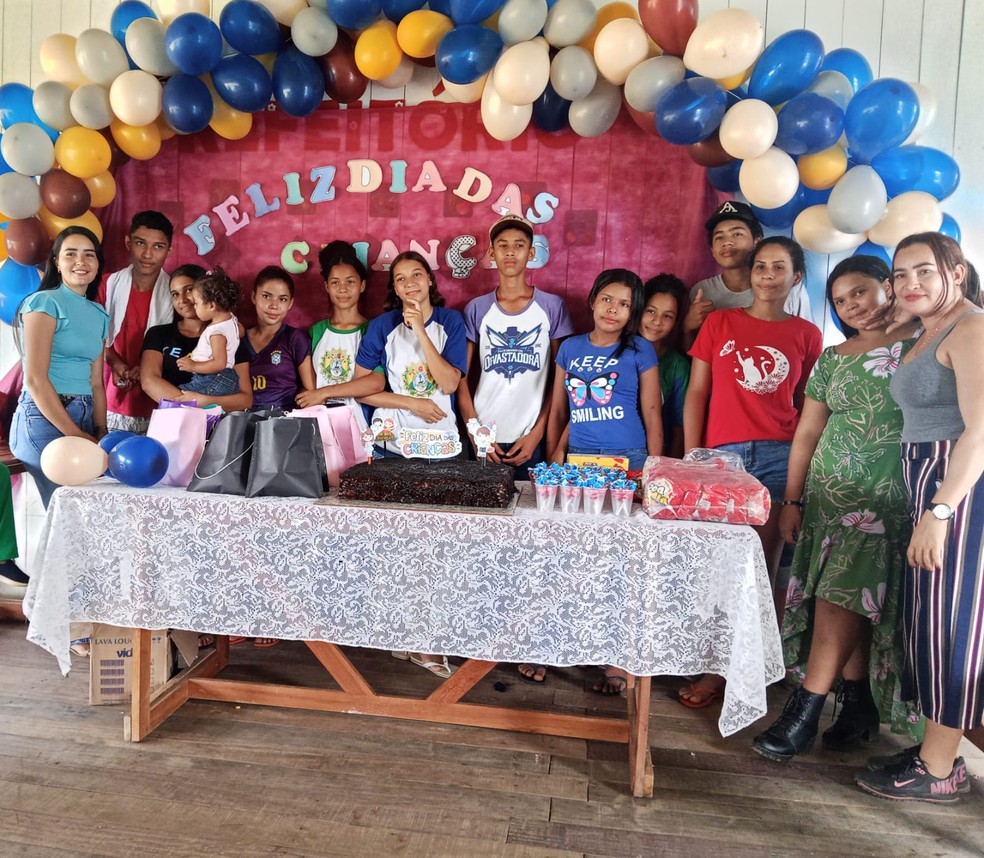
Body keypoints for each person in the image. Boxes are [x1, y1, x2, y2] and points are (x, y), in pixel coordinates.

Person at [751, 256, 919, 762]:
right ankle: (857, 704)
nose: (852, 306)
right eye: (841, 300)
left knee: (842, 595)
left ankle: (804, 712)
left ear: (888, 288)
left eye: (861, 292)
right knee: (846, 596)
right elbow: (807, 432)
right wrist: (794, 499)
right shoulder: (834, 357)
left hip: (886, 497)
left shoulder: (922, 345)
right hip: (828, 495)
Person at [855, 233, 984, 803]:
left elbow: (981, 429)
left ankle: (939, 770)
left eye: (924, 271)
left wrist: (940, 509)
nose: (910, 284)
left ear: (956, 271)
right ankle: (939, 750)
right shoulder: (929, 326)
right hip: (926, 480)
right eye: (900, 274)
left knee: (952, 625)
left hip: (957, 489)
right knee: (931, 618)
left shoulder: (973, 327)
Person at [680, 236, 822, 708]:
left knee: (763, 568)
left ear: (795, 277)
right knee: (718, 564)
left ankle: (755, 667)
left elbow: (807, 409)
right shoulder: (720, 323)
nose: (766, 275)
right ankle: (713, 664)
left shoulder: (807, 335)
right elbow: (697, 394)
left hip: (781, 458)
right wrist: (693, 459)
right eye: (760, 266)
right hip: (723, 458)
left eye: (778, 268)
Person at [548, 268, 662, 695]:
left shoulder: (639, 350)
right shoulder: (570, 349)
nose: (614, 309)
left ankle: (616, 661)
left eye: (625, 304)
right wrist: (554, 455)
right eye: (608, 299)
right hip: (578, 462)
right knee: (571, 560)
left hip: (627, 464)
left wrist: (651, 470)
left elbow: (652, 414)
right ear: (593, 300)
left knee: (620, 563)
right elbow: (560, 410)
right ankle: (561, 649)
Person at [356, 251, 467, 680]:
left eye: (416, 275)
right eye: (401, 279)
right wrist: (409, 402)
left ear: (428, 281)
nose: (409, 285)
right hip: (392, 448)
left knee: (437, 547)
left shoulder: (450, 322)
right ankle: (406, 637)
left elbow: (449, 382)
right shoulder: (380, 327)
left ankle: (429, 639)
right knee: (396, 546)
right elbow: (365, 390)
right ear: (395, 288)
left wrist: (420, 328)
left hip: (441, 448)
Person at [458, 213, 574, 482]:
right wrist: (476, 432)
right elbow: (460, 379)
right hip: (486, 438)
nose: (510, 252)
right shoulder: (477, 308)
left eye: (519, 245)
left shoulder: (551, 307)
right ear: (491, 253)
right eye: (503, 245)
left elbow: (560, 382)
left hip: (530, 439)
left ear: (531, 252)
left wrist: (538, 434)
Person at [11, 226, 109, 510]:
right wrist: (77, 435)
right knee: (68, 513)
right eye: (71, 254)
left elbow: (96, 382)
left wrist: (101, 430)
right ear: (56, 262)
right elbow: (35, 379)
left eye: (89, 255)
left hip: (85, 415)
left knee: (91, 513)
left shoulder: (99, 313)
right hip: (43, 418)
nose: (81, 261)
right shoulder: (44, 302)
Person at [683, 201, 813, 346]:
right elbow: (692, 356)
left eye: (737, 233)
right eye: (719, 237)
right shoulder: (701, 292)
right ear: (712, 250)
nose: (727, 242)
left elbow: (807, 343)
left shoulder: (789, 288)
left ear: (756, 242)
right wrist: (688, 327)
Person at [98, 210, 174, 433]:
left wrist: (148, 368)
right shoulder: (107, 285)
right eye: (141, 243)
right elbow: (91, 336)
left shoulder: (176, 295)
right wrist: (113, 361)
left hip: (157, 404)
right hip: (109, 399)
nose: (147, 254)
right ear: (128, 242)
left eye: (158, 247)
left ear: (169, 251)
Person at [140, 264, 253, 412]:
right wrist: (191, 406)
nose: (182, 299)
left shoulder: (227, 335)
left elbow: (245, 400)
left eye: (189, 290)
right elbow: (149, 382)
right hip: (174, 422)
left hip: (217, 426)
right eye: (175, 294)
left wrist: (203, 402)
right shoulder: (158, 334)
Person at [296, 241, 372, 425]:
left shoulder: (372, 330)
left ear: (362, 285)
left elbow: (376, 382)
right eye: (335, 282)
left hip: (362, 430)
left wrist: (325, 392)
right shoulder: (316, 332)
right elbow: (309, 386)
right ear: (326, 287)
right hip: (321, 428)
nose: (343, 289)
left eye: (350, 282)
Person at [246, 266, 316, 411]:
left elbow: (310, 392)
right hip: (242, 419)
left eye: (282, 299)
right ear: (254, 297)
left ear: (290, 303)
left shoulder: (295, 339)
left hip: (283, 423)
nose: (274, 306)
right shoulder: (237, 339)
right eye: (266, 296)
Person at [640, 273, 690, 458]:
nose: (657, 321)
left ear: (676, 321)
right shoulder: (618, 353)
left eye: (667, 316)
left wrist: (669, 467)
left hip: (657, 457)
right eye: (650, 311)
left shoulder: (677, 366)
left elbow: (679, 426)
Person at [175, 267, 242, 397]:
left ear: (211, 306)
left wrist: (193, 366)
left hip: (212, 378)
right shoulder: (231, 319)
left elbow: (219, 363)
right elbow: (241, 331)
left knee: (178, 394)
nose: (194, 307)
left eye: (196, 303)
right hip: (225, 378)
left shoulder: (216, 332)